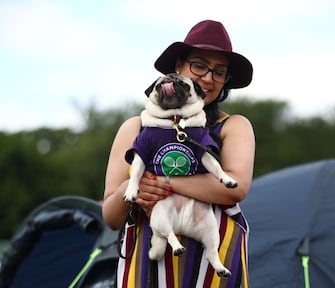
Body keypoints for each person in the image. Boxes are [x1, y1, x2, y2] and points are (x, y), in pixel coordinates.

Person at [102, 19, 255, 288]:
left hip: (212, 267)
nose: (208, 78)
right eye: (199, 65)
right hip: (145, 267)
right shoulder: (135, 127)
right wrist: (132, 187)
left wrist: (162, 183)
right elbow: (111, 217)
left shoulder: (233, 126)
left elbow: (235, 187)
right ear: (179, 66)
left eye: (219, 72)